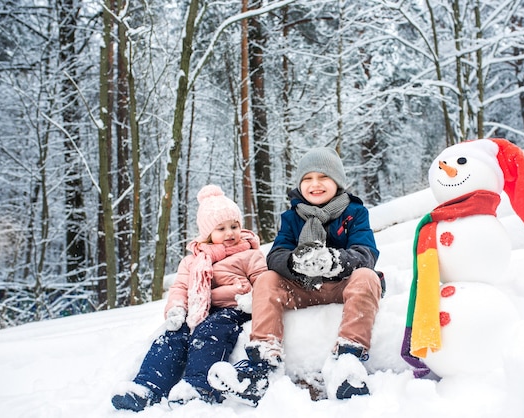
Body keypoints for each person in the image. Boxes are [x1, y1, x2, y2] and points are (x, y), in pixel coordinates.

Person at [208, 147, 384, 405]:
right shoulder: (291, 217)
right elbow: (276, 254)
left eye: (323, 177)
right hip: (304, 287)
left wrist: (333, 261)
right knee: (267, 279)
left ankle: (348, 360)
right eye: (307, 179)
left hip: (341, 284)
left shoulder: (354, 213)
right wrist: (295, 262)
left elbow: (366, 252)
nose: (315, 184)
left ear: (337, 181)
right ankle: (262, 363)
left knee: (367, 276)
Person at [111, 185, 267, 412]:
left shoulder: (249, 254)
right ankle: (147, 387)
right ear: (207, 234)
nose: (230, 233)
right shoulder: (193, 261)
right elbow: (180, 288)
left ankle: (199, 386)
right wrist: (176, 309)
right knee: (172, 336)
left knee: (211, 330)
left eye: (234, 226)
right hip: (199, 309)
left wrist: (253, 298)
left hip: (235, 307)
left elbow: (262, 280)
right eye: (221, 228)